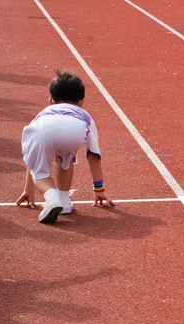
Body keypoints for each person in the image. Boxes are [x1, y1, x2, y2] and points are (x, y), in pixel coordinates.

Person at [16, 69, 114, 222]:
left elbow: (33, 158)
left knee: (40, 174)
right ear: (81, 101)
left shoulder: (43, 114)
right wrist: (99, 189)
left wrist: (28, 189)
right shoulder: (84, 115)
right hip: (75, 129)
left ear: (50, 101)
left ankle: (52, 197)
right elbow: (93, 155)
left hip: (44, 128)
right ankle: (63, 201)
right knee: (66, 158)